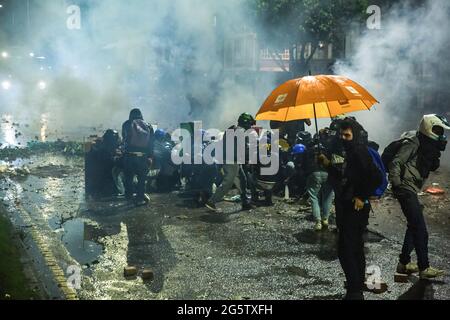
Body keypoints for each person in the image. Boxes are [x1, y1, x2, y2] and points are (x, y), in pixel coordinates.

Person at [319, 118, 380, 300]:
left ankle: (354, 291)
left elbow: (374, 177)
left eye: (347, 135)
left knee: (346, 249)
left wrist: (361, 196)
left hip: (355, 207)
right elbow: (345, 177)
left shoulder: (359, 151)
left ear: (355, 135)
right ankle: (357, 285)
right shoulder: (350, 151)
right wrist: (328, 165)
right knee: (355, 247)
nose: (343, 138)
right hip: (346, 203)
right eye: (341, 135)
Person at [388, 114, 449, 279]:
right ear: (428, 127)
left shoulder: (425, 144)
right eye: (438, 130)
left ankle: (404, 263)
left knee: (413, 226)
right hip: (405, 189)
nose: (440, 134)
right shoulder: (413, 142)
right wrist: (397, 184)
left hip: (411, 188)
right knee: (421, 230)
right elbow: (396, 162)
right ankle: (424, 268)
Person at [205, 113, 255, 212]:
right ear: (245, 123)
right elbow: (243, 149)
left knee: (242, 180)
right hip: (231, 161)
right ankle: (211, 201)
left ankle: (245, 202)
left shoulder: (232, 129)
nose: (250, 126)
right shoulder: (240, 132)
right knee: (228, 183)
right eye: (249, 124)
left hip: (232, 160)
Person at [122, 108, 155, 205]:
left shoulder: (127, 124)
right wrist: (150, 157)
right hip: (143, 157)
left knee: (129, 178)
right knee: (142, 179)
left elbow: (125, 138)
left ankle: (129, 197)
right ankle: (140, 197)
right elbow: (151, 144)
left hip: (130, 156)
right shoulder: (148, 126)